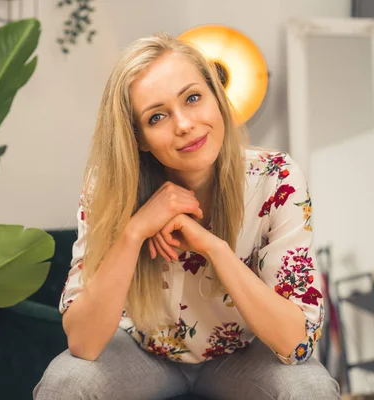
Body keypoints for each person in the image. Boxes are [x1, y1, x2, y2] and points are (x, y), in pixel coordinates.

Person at [33, 32, 340, 400]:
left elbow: (297, 344)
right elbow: (83, 344)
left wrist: (213, 248)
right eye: (157, 116)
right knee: (66, 383)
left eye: (193, 98)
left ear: (217, 97)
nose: (183, 124)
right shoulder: (109, 187)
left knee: (311, 388)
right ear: (140, 138)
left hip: (242, 355)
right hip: (140, 352)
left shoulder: (277, 178)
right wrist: (135, 231)